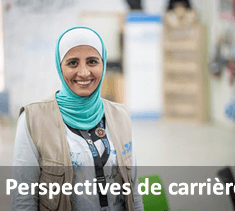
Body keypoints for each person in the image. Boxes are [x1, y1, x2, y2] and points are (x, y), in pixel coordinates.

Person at [12, 26, 144, 211]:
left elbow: (134, 191)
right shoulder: (33, 119)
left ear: (103, 64)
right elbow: (24, 199)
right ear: (60, 66)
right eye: (73, 63)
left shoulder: (120, 116)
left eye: (92, 61)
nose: (83, 72)